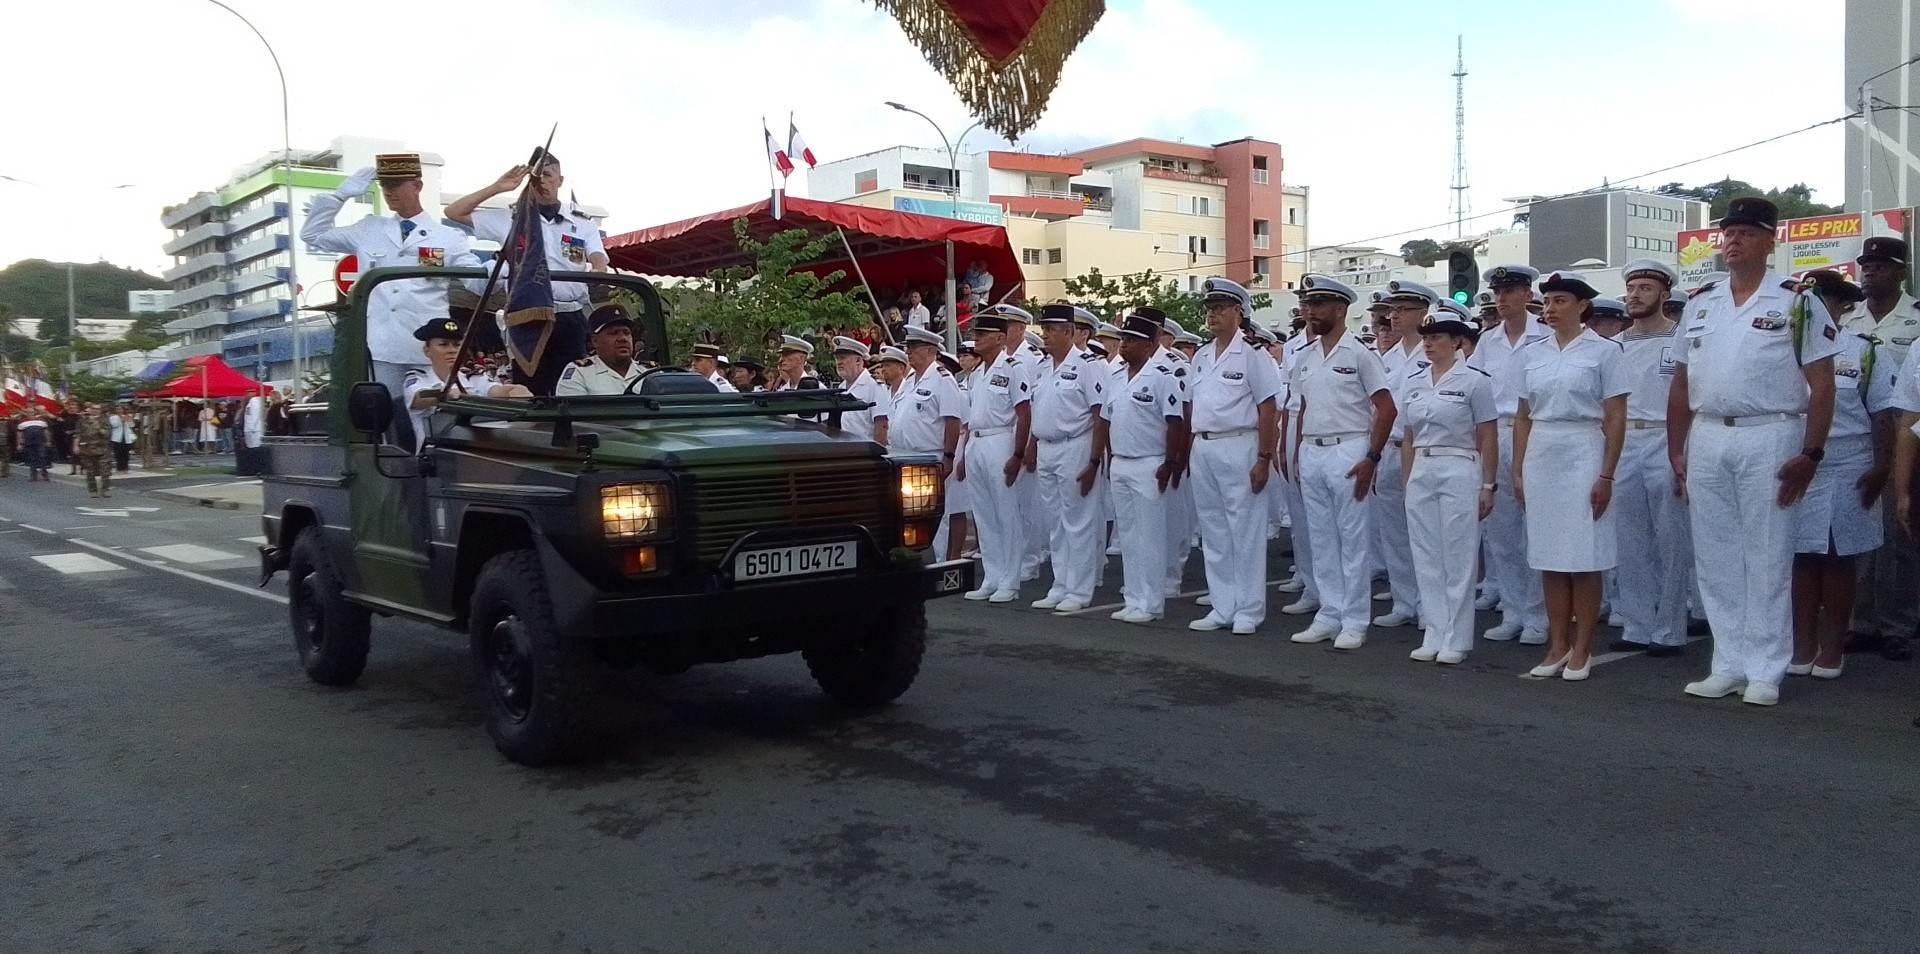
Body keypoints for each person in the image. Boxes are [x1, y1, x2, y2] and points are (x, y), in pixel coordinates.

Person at [1670, 196, 1842, 707]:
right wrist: (1676, 447)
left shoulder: (1796, 299)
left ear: (1771, 240)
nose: (1734, 240)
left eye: (1747, 232)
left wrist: (1812, 452)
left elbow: (1823, 382)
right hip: (1708, 434)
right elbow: (1681, 381)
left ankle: (1766, 668)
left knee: (1767, 553)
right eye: (1729, 232)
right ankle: (1727, 662)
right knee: (1717, 555)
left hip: (1771, 432)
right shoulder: (1701, 302)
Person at [1512, 272, 1628, 681]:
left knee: (1584, 555)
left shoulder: (1605, 351)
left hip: (1583, 447)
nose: (1551, 308)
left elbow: (1615, 415)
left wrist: (1607, 474)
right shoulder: (1532, 353)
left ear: (1582, 307)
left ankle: (1582, 647)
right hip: (1543, 449)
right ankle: (1557, 644)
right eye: (1547, 301)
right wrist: (1518, 469)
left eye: (1561, 300)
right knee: (1549, 555)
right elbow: (1523, 416)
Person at [302, 153, 480, 404]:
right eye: (384, 186)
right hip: (382, 348)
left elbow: (475, 281)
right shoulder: (369, 228)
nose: (389, 192)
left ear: (417, 186)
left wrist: (503, 269)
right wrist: (339, 196)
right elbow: (313, 235)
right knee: (385, 419)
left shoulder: (448, 237)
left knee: (432, 415)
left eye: (396, 185)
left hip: (428, 349)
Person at [1788, 270, 1895, 680]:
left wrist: (1882, 466)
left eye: (1824, 301)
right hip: (1794, 459)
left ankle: (1832, 648)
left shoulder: (1862, 351)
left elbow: (1884, 413)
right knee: (1799, 556)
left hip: (1848, 461)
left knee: (1837, 555)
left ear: (1841, 305)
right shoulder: (1786, 346)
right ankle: (1801, 646)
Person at [1287, 274, 1396, 650]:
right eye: (1309, 305)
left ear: (1340, 309)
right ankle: (1329, 613)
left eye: (1318, 305)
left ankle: (1354, 619)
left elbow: (1386, 408)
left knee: (1352, 540)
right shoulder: (1305, 355)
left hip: (1349, 448)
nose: (1311, 312)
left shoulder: (1360, 354)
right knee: (1321, 538)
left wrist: (1372, 457)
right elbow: (1302, 407)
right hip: (1312, 450)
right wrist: (1299, 452)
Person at [446, 150, 608, 395]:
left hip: (570, 316)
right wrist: (498, 187)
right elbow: (454, 212)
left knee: (572, 389)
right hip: (528, 316)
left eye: (547, 174)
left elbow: (597, 256)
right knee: (531, 390)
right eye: (535, 176)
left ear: (560, 180)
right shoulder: (512, 218)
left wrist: (598, 269)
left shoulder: (581, 222)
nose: (541, 181)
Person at [1600, 260, 1694, 658]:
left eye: (1645, 288)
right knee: (1629, 540)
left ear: (1664, 295)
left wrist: (1683, 453)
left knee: (1672, 540)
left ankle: (1670, 628)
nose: (1635, 295)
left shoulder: (1681, 341)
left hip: (1665, 439)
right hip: (1624, 443)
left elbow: (1691, 398)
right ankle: (1637, 623)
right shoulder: (1614, 346)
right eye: (1631, 288)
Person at [1399, 302, 1498, 664]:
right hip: (1423, 467)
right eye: (1426, 337)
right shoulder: (1413, 382)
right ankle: (1434, 631)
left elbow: (1488, 435)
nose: (1428, 343)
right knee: (1426, 555)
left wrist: (1488, 485)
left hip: (1459, 465)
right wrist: (1408, 479)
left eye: (1437, 337)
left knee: (1458, 556)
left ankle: (1456, 637)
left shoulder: (1474, 381)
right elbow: (1408, 436)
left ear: (1457, 341)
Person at [1185, 277, 1283, 635]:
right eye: (1210, 309)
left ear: (1239, 312)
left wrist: (1263, 457)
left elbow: (1268, 406)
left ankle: (1249, 609)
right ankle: (1222, 605)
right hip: (1205, 445)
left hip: (1240, 444)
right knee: (1213, 531)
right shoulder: (1202, 355)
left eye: (1220, 309)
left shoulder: (1253, 353)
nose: (1213, 315)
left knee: (1245, 531)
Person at [1842, 237, 1919, 659]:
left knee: (1900, 534)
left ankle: (1899, 624)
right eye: (1865, 266)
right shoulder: (1848, 319)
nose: (1870, 272)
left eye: (1880, 266)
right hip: (1858, 435)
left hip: (1905, 433)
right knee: (1861, 530)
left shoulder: (1916, 318)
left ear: (1900, 272)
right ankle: (1862, 620)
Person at [1468, 264, 1551, 646]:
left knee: (1533, 530)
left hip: (1532, 431)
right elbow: (1475, 392)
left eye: (1510, 291)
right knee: (1500, 531)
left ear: (1528, 294)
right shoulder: (1487, 341)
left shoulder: (1546, 337)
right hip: (1495, 433)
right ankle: (1513, 609)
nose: (1501, 299)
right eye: (1497, 292)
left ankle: (1538, 615)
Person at [1104, 312, 1188, 624]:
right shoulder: (1115, 376)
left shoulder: (1163, 375)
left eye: (1131, 340)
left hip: (1149, 463)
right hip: (1122, 463)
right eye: (1123, 339)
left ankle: (1151, 602)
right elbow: (1110, 420)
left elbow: (1174, 422)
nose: (1123, 345)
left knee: (1150, 536)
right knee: (1128, 535)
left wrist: (1170, 463)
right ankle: (1133, 598)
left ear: (1151, 344)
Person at [1027, 304, 1108, 613]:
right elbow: (1038, 411)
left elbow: (1100, 414)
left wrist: (1094, 460)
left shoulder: (1088, 365)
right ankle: (1060, 584)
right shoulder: (1042, 366)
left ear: (1070, 333)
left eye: (1051, 329)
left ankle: (1079, 588)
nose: (1045, 334)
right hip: (1047, 447)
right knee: (1055, 523)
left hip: (1076, 445)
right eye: (1044, 328)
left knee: (1079, 521)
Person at [1372, 280, 1440, 630]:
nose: (1394, 316)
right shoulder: (1388, 356)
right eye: (1392, 310)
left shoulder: (1434, 353)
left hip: (1422, 450)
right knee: (1394, 532)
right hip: (1389, 449)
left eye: (1402, 310)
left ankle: (1430, 606)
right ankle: (1404, 601)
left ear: (1423, 313)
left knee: (1425, 533)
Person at [958, 309, 1034, 602]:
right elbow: (971, 419)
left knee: (1006, 513)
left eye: (983, 334)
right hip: (977, 442)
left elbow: (1024, 412)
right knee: (984, 515)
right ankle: (992, 576)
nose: (976, 339)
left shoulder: (1013, 368)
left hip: (1001, 439)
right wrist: (965, 455)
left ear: (1000, 338)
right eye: (975, 334)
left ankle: (1010, 581)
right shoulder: (977, 374)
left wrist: (1018, 453)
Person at [894, 328, 967, 560]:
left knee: (934, 515)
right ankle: (916, 560)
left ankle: (937, 564)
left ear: (930, 350)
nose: (909, 353)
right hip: (905, 456)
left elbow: (953, 420)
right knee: (911, 516)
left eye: (913, 348)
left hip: (930, 456)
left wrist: (948, 457)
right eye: (908, 348)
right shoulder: (909, 380)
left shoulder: (942, 379)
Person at [405, 317, 534, 449]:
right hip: (435, 454)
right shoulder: (419, 378)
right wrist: (444, 395)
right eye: (443, 344)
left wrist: (515, 391)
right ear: (427, 350)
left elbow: (496, 391)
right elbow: (417, 398)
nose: (452, 350)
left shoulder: (471, 377)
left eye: (457, 345)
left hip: (475, 448)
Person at [555, 305, 647, 398]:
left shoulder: (649, 371)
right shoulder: (580, 373)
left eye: (626, 333)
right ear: (595, 341)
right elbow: (572, 410)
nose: (623, 339)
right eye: (614, 333)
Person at [831, 337, 891, 444]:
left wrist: (876, 455)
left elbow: (881, 426)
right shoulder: (841, 388)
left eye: (843, 358)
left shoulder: (874, 387)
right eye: (837, 358)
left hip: (864, 454)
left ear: (858, 360)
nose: (839, 362)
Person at [73, 403, 111, 498]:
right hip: (87, 449)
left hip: (102, 448)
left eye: (98, 409)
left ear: (100, 410)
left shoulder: (104, 420)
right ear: (90, 409)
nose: (95, 410)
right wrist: (75, 446)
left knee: (105, 470)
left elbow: (107, 434)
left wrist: (98, 427)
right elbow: (77, 434)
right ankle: (93, 490)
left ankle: (105, 489)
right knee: (90, 471)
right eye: (93, 408)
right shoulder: (82, 421)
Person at [19, 408, 50, 481]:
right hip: (29, 444)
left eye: (31, 412)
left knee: (42, 458)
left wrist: (48, 441)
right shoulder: (22, 424)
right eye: (28, 412)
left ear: (34, 413)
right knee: (32, 460)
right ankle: (33, 476)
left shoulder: (41, 422)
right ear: (26, 414)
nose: (30, 414)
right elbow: (19, 435)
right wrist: (19, 444)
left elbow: (46, 432)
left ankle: (45, 475)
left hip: (40, 443)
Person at [108, 403, 135, 473]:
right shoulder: (113, 417)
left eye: (120, 409)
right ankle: (119, 468)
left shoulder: (127, 416)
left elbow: (132, 425)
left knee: (126, 453)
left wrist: (129, 419)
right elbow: (114, 425)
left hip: (126, 437)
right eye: (118, 409)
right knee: (118, 453)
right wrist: (120, 420)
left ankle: (126, 467)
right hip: (117, 438)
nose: (119, 410)